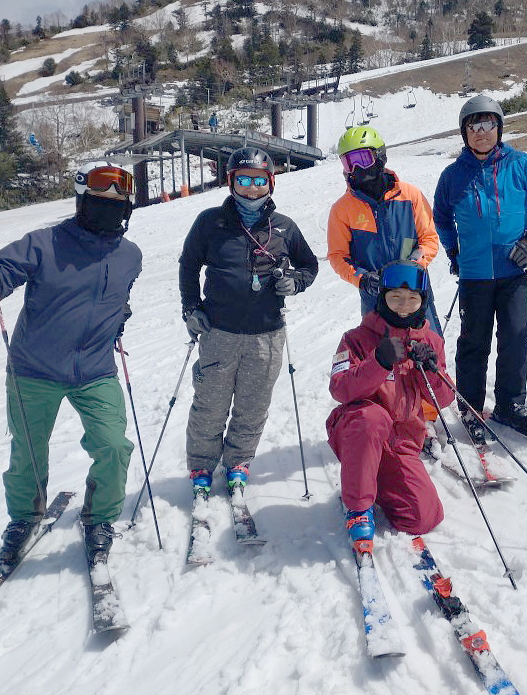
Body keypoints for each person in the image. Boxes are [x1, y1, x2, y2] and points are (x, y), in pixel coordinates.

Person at [0, 162, 141, 564]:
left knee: (114, 447)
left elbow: (120, 296)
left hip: (95, 371)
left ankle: (100, 518)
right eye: (98, 200)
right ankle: (24, 517)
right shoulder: (44, 243)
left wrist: (118, 316)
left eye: (117, 203)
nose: (109, 209)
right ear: (81, 201)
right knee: (27, 452)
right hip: (34, 369)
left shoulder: (130, 255)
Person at [179, 146, 318, 497]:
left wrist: (295, 282)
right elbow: (188, 265)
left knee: (253, 406)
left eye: (259, 181)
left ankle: (238, 462)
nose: (252, 189)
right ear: (231, 182)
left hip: (267, 335)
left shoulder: (284, 227)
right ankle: (201, 465)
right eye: (244, 180)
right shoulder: (210, 222)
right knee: (210, 403)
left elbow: (309, 265)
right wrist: (191, 307)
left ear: (270, 182)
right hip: (218, 331)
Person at [433, 95, 527, 442]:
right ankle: (471, 408)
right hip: (474, 275)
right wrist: (454, 251)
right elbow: (441, 216)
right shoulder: (452, 176)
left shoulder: (521, 165)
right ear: (465, 133)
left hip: (514, 271)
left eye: (488, 124)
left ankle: (510, 405)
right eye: (474, 126)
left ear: (499, 128)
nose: (482, 132)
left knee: (515, 338)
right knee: (474, 342)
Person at [326, 261, 454, 552]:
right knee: (372, 417)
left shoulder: (431, 341)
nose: (404, 306)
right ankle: (358, 508)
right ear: (383, 298)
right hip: (357, 432)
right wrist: (379, 362)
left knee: (424, 517)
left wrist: (431, 369)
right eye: (395, 297)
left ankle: (371, 479)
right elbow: (339, 388)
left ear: (423, 301)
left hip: (401, 443)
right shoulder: (356, 339)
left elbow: (444, 399)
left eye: (412, 298)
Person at [326, 125, 443, 333]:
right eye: (349, 163)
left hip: (413, 289)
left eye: (364, 159)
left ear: (380, 156)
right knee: (380, 351)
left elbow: (429, 238)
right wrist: (362, 278)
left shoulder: (410, 195)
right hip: (375, 297)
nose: (357, 168)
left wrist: (415, 263)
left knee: (427, 346)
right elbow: (337, 256)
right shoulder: (342, 209)